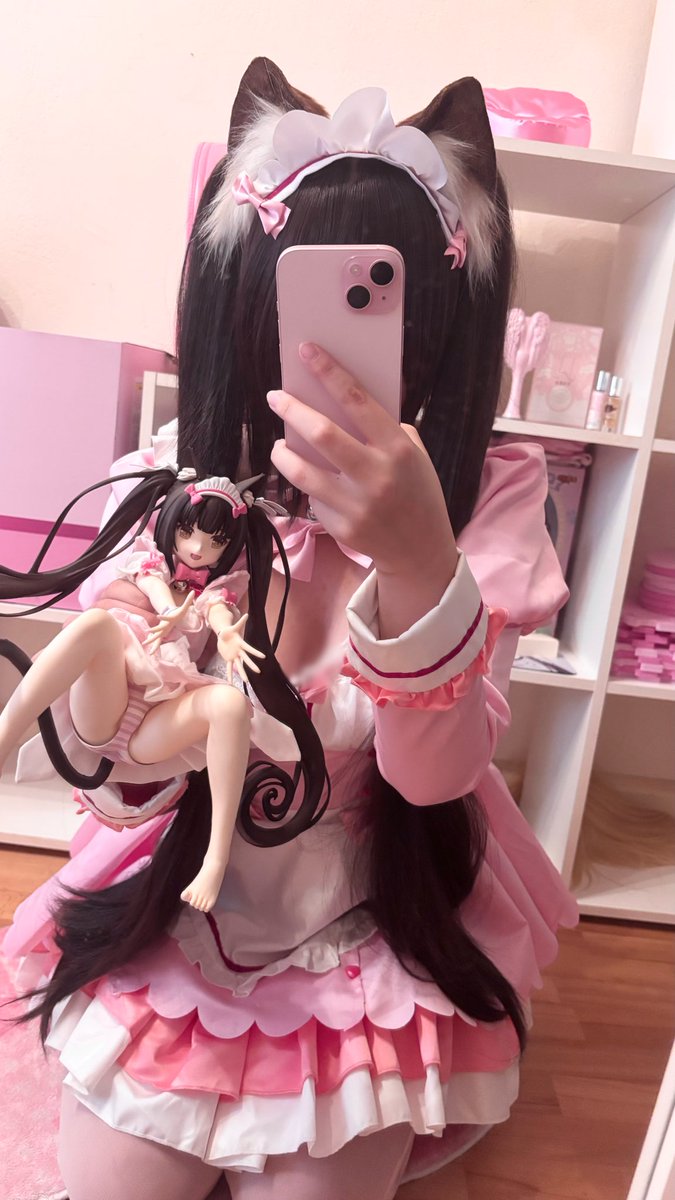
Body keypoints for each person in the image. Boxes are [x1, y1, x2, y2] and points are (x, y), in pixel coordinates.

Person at [3, 58, 578, 1200]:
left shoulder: (490, 500)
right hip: (181, 901)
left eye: (380, 295)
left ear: (444, 317)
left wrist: (418, 559)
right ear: (239, 300)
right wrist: (129, 689)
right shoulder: (175, 494)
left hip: (370, 917)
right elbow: (122, 785)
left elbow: (431, 777)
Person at [0, 469, 328, 913]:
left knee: (230, 705)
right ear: (172, 525)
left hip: (152, 730)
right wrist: (169, 608)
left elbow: (217, 612)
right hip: (104, 709)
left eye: (214, 542)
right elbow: (154, 585)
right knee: (97, 625)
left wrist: (227, 634)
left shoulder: (217, 591)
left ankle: (215, 859)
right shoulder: (149, 563)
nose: (196, 549)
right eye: (188, 533)